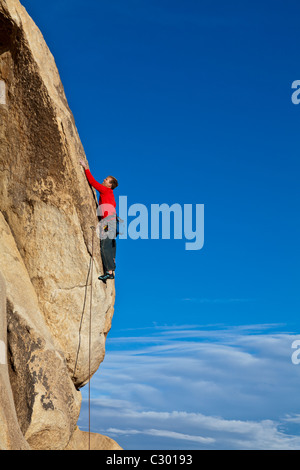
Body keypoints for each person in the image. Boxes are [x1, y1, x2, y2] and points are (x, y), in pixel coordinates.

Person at [80, 160, 118, 282]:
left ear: (109, 185)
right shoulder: (110, 194)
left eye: (107, 180)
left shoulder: (106, 190)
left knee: (104, 245)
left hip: (109, 222)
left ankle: (110, 271)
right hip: (113, 222)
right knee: (110, 243)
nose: (104, 179)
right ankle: (112, 263)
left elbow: (92, 182)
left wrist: (85, 168)